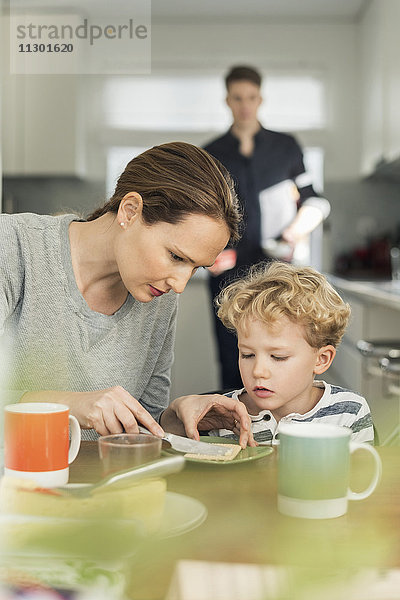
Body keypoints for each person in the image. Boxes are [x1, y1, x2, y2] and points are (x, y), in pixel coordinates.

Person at [0, 142, 255, 447]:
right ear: (130, 211)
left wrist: (172, 419)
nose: (180, 284)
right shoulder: (13, 247)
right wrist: (68, 405)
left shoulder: (159, 299)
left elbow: (136, 429)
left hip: (96, 490)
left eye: (196, 268)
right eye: (176, 256)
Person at [204, 65, 331, 391]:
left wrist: (296, 230)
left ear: (261, 99)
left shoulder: (286, 147)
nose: (245, 104)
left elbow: (314, 202)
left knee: (279, 354)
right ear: (227, 100)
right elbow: (203, 213)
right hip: (228, 273)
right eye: (237, 98)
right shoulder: (211, 153)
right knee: (234, 358)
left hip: (278, 271)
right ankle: (237, 432)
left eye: (251, 97)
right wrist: (208, 253)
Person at [205, 261, 372, 444]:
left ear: (321, 359)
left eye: (278, 357)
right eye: (247, 354)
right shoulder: (222, 414)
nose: (258, 371)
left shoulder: (349, 412)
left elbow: (363, 472)